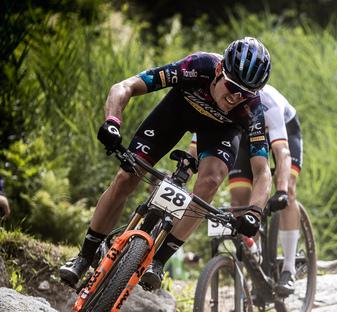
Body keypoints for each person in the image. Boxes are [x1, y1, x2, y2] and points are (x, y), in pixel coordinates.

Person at [59, 37, 273, 291]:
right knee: (127, 177)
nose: (236, 97)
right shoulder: (197, 66)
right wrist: (112, 122)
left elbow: (262, 171)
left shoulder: (252, 108)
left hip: (221, 132)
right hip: (177, 112)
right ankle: (84, 257)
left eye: (245, 93)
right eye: (232, 86)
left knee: (210, 182)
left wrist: (254, 213)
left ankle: (158, 262)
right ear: (219, 70)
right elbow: (125, 86)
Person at [191, 83, 303, 296]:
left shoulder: (267, 102)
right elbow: (196, 148)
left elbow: (282, 153)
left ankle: (289, 269)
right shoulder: (219, 100)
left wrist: (280, 191)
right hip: (246, 135)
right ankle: (255, 257)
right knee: (239, 201)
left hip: (282, 132)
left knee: (288, 191)